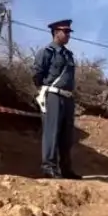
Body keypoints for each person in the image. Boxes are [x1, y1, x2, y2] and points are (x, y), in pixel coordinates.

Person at [33, 19, 81, 180]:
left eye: (69, 32)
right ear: (55, 32)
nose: (68, 35)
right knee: (51, 132)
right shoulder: (46, 52)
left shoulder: (68, 55)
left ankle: (66, 168)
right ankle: (49, 167)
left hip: (67, 97)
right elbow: (37, 74)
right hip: (52, 95)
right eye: (65, 32)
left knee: (66, 135)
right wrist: (44, 90)